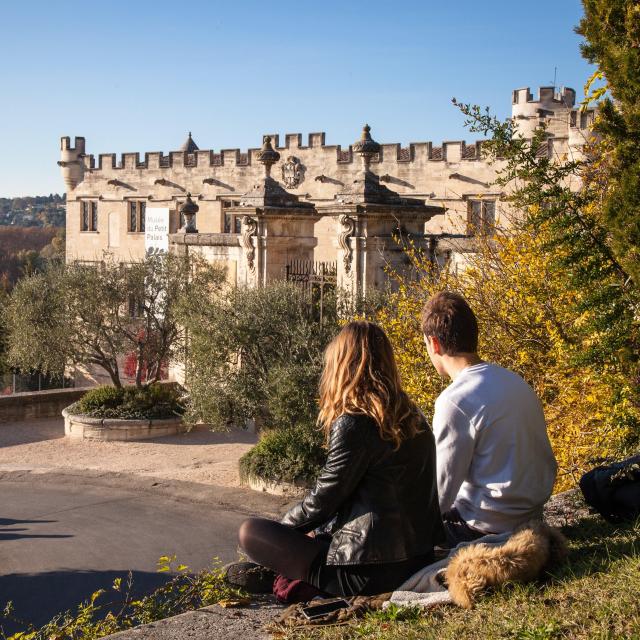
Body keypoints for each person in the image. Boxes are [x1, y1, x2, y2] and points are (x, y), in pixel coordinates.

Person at [235, 321, 444, 597]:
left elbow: (324, 500)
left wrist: (283, 530)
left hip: (367, 572)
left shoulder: (355, 422)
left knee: (251, 533)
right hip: (417, 557)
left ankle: (299, 578)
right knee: (296, 537)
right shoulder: (413, 416)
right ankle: (283, 573)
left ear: (343, 365)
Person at [421, 291, 557, 547]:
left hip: (483, 528)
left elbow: (439, 494)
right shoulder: (514, 381)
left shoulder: (454, 401)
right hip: (530, 517)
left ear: (434, 344)